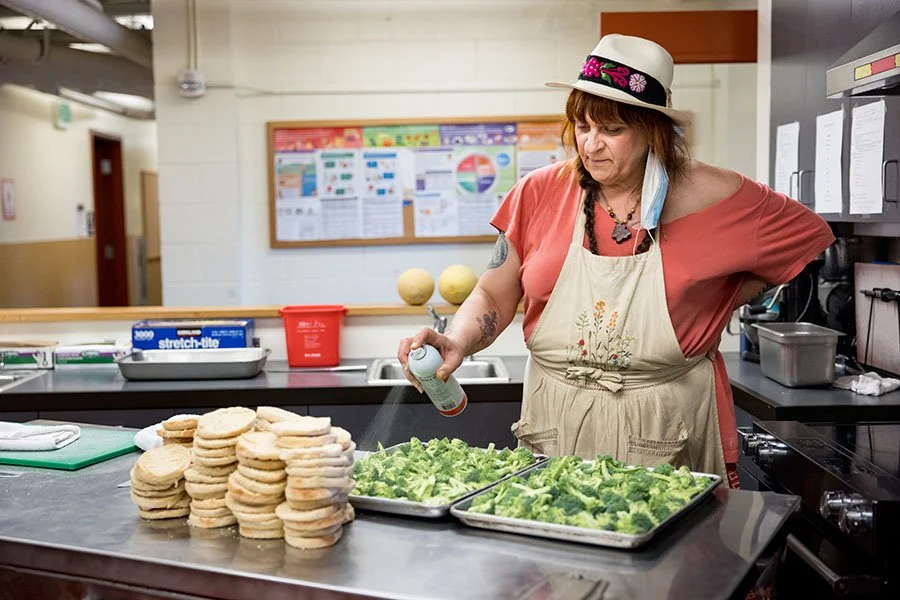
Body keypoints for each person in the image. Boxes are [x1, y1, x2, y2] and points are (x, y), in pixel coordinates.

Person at [397, 34, 834, 483]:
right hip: (555, 420)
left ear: (653, 129)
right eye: (583, 127)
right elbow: (493, 292)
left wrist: (720, 298)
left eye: (611, 130)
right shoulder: (539, 191)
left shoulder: (715, 197)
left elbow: (810, 237)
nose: (590, 146)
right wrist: (460, 341)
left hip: (666, 424)